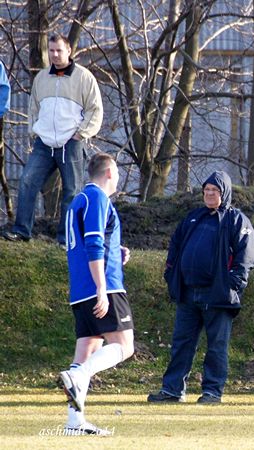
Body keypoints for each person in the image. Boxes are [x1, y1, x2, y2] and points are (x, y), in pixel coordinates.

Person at [148, 171, 254, 404]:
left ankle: (212, 392)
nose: (209, 194)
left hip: (218, 295)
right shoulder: (193, 217)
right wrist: (171, 273)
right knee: (181, 344)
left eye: (214, 191)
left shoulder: (236, 220)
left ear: (224, 192)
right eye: (206, 190)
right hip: (188, 292)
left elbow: (245, 257)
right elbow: (175, 246)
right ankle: (172, 390)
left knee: (216, 347)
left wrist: (232, 284)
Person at [58, 152, 134, 435]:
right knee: (125, 346)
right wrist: (102, 289)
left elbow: (94, 241)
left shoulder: (78, 201)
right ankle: (77, 376)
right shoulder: (98, 199)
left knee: (86, 351)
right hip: (104, 286)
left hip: (80, 289)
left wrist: (117, 250)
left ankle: (74, 422)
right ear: (110, 172)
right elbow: (92, 244)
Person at [2, 34, 103, 245]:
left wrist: (81, 133)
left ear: (69, 51)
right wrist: (34, 132)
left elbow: (95, 110)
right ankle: (21, 231)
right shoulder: (41, 78)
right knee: (28, 181)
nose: (55, 55)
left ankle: (67, 238)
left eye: (59, 50)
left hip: (72, 143)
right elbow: (34, 108)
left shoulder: (84, 78)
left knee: (72, 191)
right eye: (51, 51)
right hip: (44, 143)